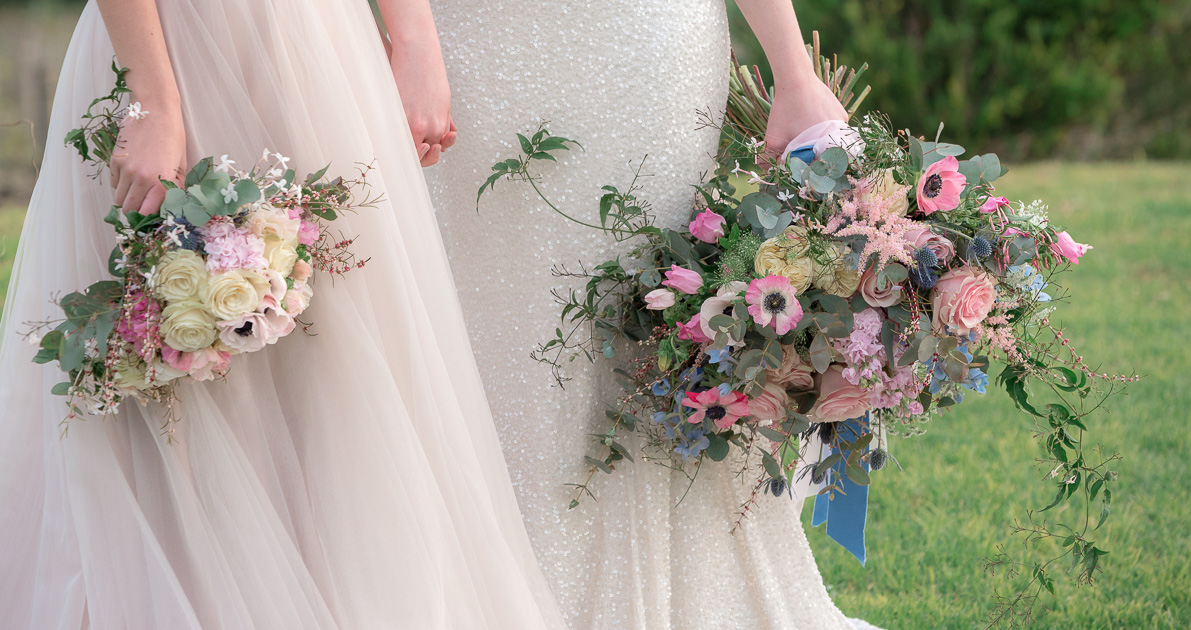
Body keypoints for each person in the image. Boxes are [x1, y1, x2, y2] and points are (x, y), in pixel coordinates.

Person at [0, 1, 567, 628]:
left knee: (339, 367)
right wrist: (153, 99)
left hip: (318, 49)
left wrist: (415, 41)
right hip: (173, 43)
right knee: (175, 374)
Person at [427, 1, 882, 628]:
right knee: (496, 312)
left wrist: (793, 69)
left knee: (645, 301)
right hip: (481, 44)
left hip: (648, 43)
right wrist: (411, 41)